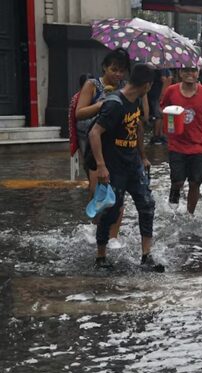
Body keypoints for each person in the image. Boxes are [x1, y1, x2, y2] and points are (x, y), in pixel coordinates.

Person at [87, 63, 164, 272]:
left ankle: (146, 256)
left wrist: (143, 156)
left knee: (147, 205)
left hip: (133, 164)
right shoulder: (115, 104)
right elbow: (94, 133)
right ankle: (101, 257)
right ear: (147, 85)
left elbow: (139, 125)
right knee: (112, 210)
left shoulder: (136, 100)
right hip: (114, 167)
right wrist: (101, 166)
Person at [75, 48, 131, 247]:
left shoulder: (126, 88)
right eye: (114, 69)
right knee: (96, 188)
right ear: (104, 67)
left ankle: (113, 238)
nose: (118, 74)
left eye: (122, 70)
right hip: (93, 143)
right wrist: (102, 105)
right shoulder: (92, 85)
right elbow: (79, 113)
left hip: (117, 146)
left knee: (118, 192)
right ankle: (96, 227)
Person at [160, 65, 202, 215]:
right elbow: (162, 108)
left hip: (198, 146)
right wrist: (169, 117)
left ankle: (189, 215)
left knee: (195, 182)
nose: (190, 74)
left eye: (193, 70)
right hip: (176, 145)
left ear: (198, 73)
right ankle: (172, 211)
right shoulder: (171, 91)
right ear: (180, 73)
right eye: (186, 70)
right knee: (178, 181)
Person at [148, 68, 172, 145]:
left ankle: (158, 135)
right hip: (158, 93)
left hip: (155, 92)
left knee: (158, 115)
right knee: (159, 115)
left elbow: (165, 79)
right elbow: (167, 78)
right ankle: (158, 135)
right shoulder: (164, 67)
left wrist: (162, 94)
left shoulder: (158, 67)